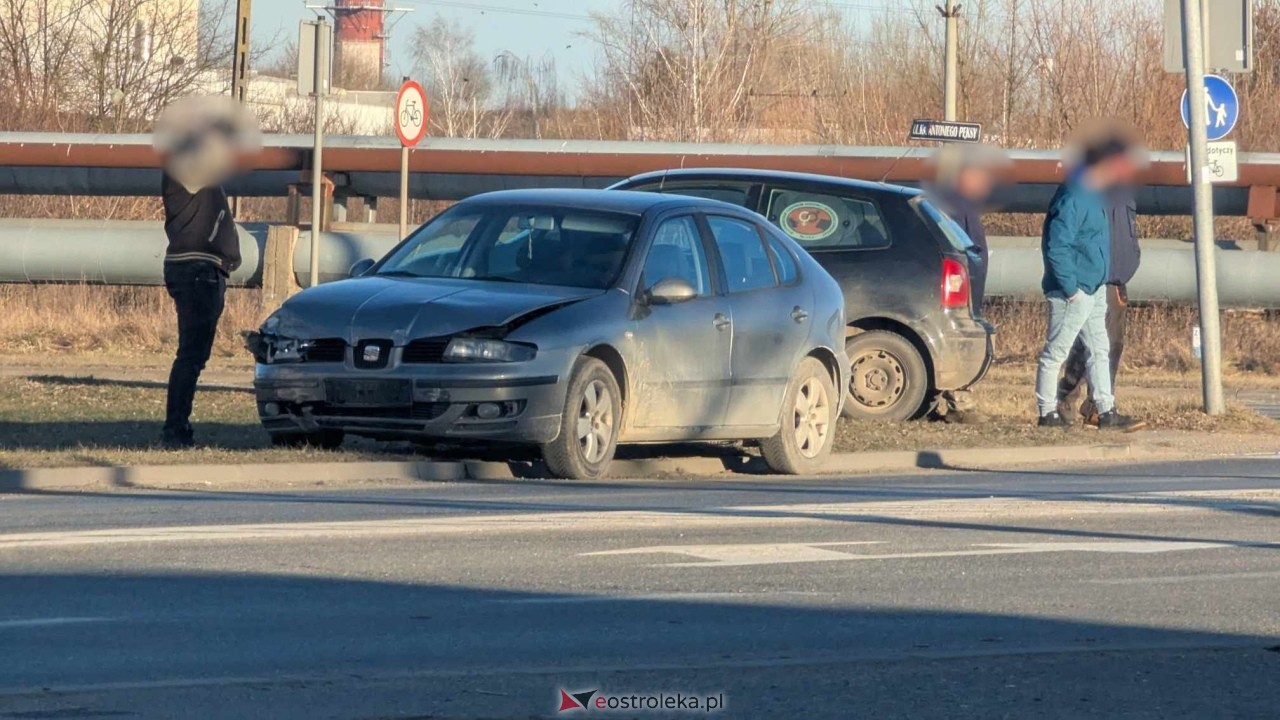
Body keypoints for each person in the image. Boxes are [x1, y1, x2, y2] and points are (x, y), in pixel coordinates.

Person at [155, 97, 259, 448]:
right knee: (190, 355)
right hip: (196, 269)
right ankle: (175, 429)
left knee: (194, 355)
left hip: (204, 269)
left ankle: (177, 427)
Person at [1034, 136, 1142, 430]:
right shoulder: (1074, 197)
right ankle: (1047, 412)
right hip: (1074, 291)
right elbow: (1057, 246)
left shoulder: (1094, 197)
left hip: (1094, 288)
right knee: (1056, 351)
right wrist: (1070, 290)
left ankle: (1106, 410)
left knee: (1099, 350)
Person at [927, 143, 1007, 424]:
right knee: (957, 340)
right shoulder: (950, 205)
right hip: (960, 287)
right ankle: (957, 400)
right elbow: (959, 249)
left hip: (969, 285)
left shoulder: (964, 205)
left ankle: (950, 399)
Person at [1057, 179, 1146, 429]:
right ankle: (1071, 399)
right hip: (1091, 277)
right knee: (1091, 345)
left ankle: (1096, 406)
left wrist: (1130, 262)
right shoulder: (1084, 189)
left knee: (1112, 344)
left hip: (1116, 277)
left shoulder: (1124, 192)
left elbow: (1127, 233)